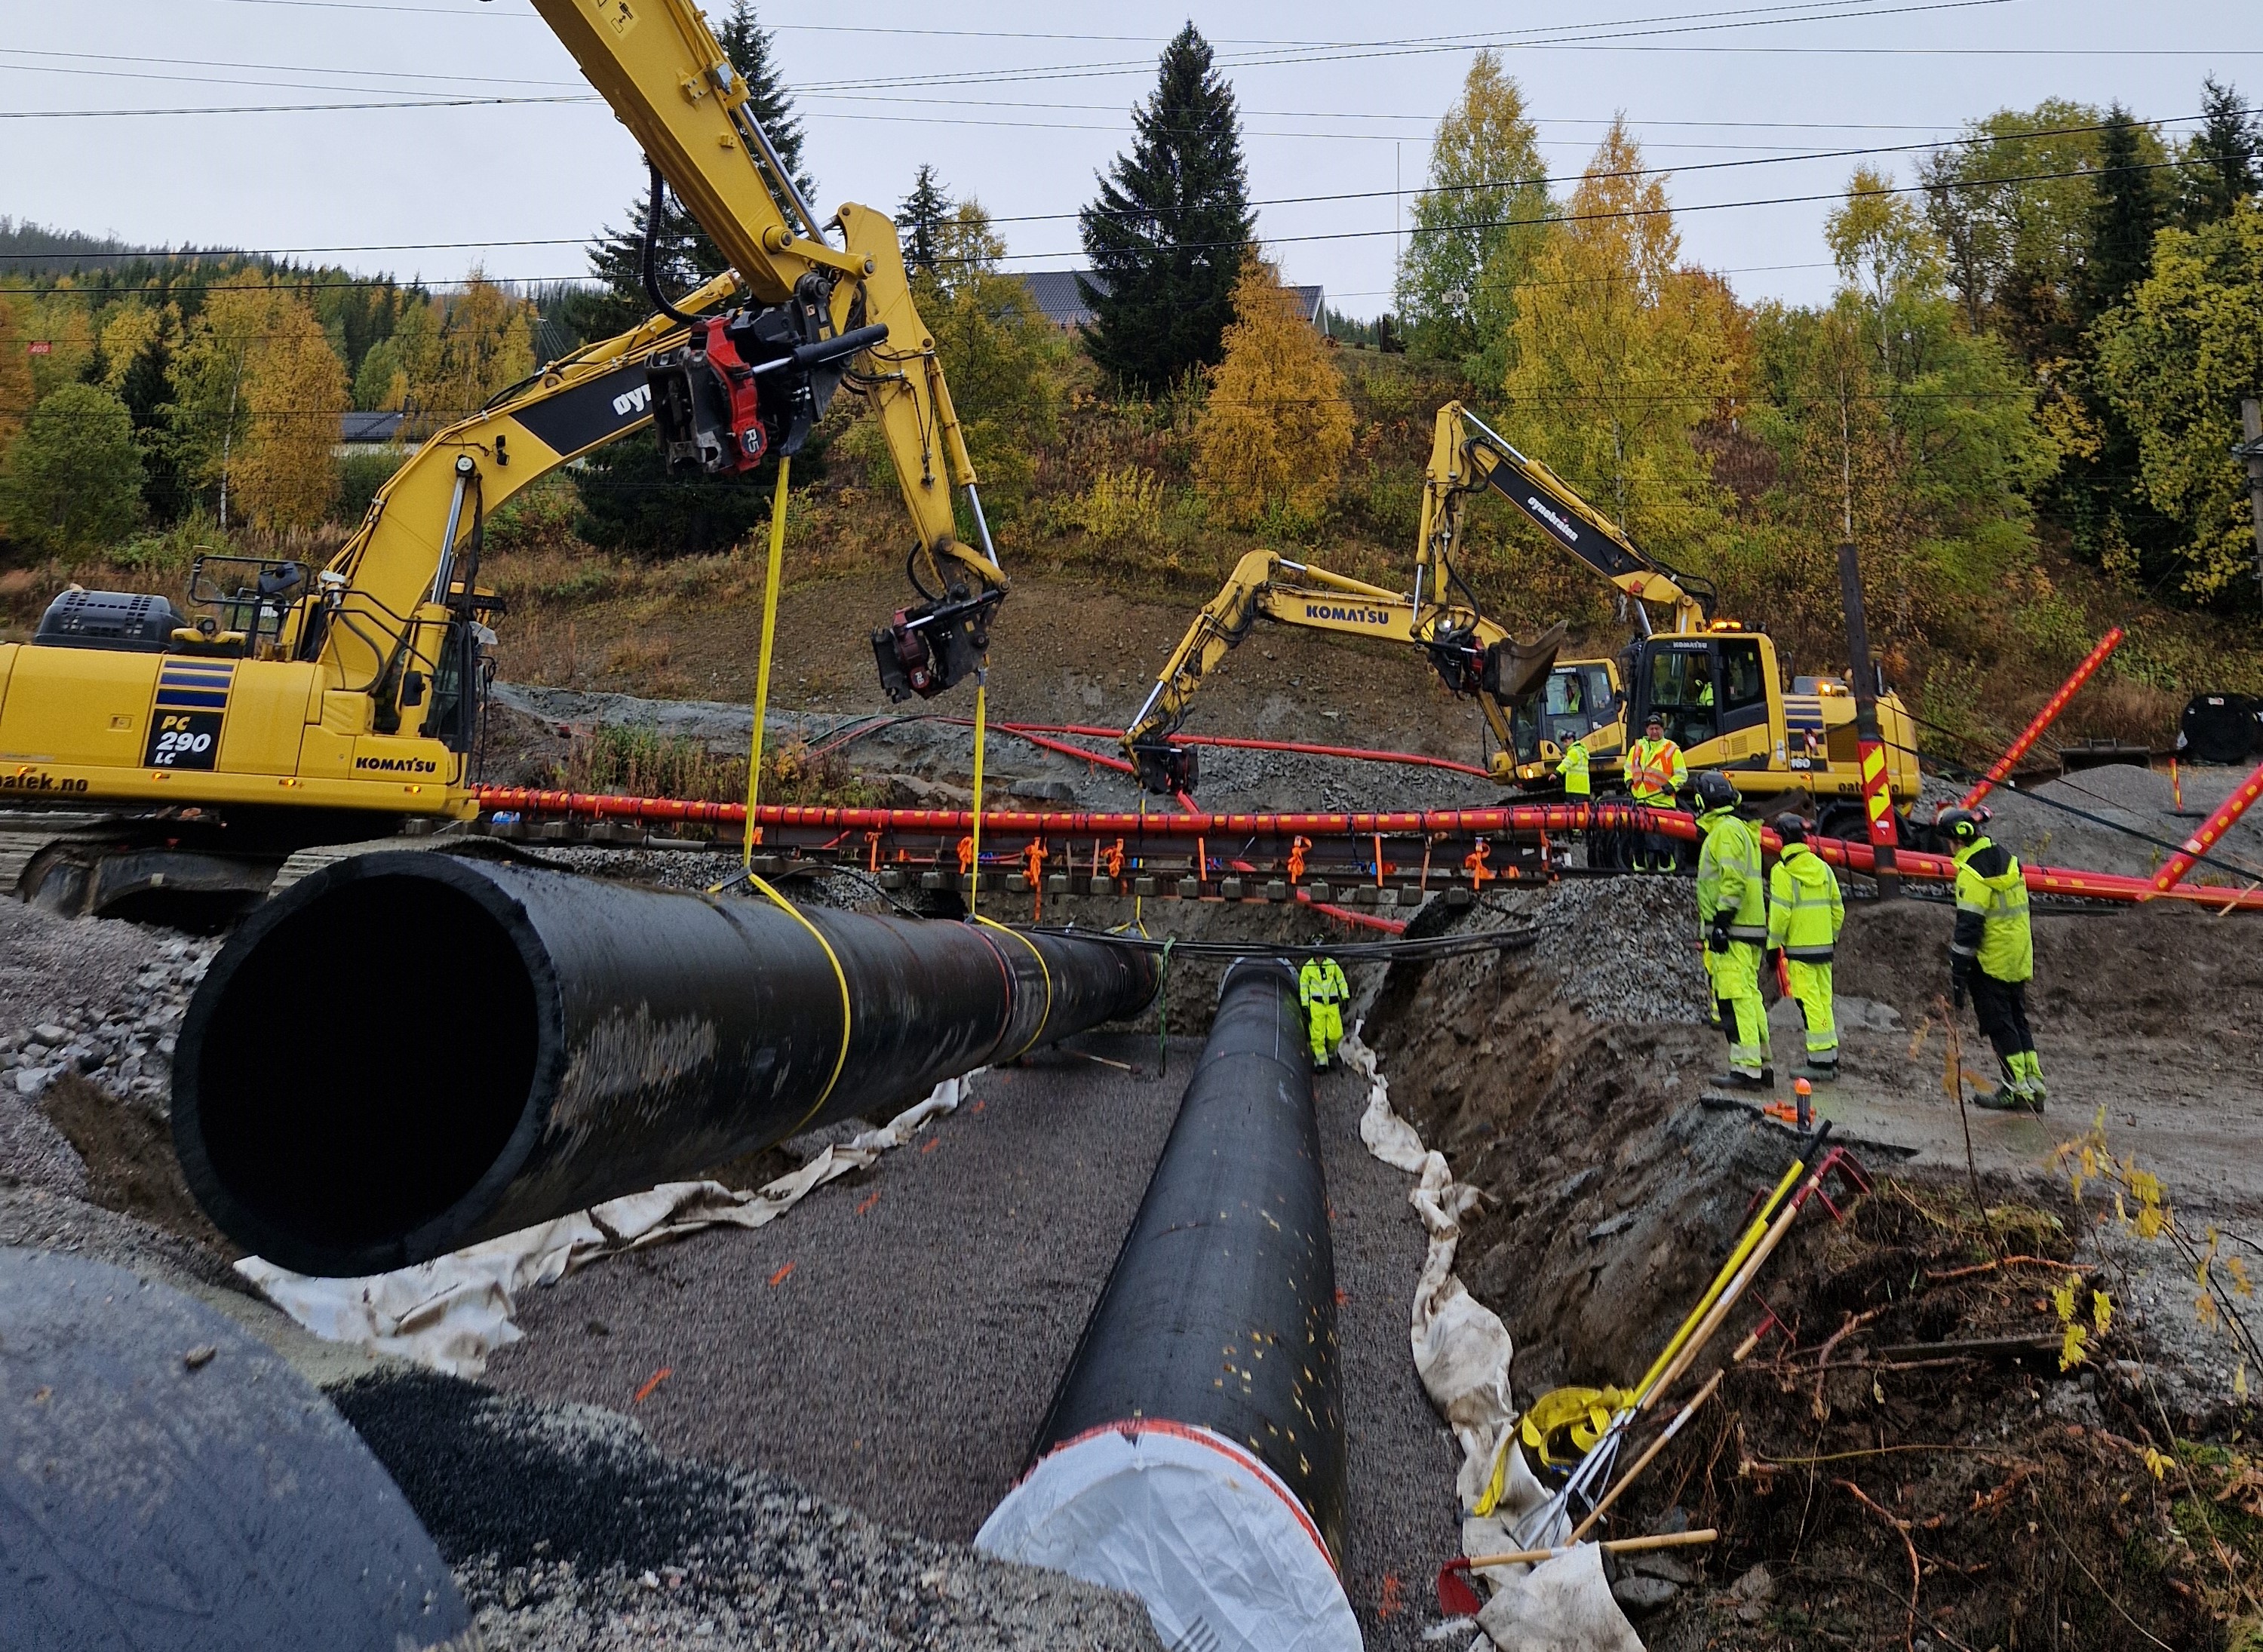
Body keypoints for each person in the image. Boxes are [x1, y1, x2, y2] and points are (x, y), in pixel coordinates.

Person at [1936, 806, 2044, 1111]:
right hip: (2017, 955)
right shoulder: (2008, 859)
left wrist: (1958, 971)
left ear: (1958, 840)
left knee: (1999, 1025)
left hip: (1990, 961)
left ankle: (2015, 1090)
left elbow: (1968, 928)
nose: (1948, 848)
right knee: (2018, 1021)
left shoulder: (1972, 873)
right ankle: (2034, 1085)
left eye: (1949, 841)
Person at [1694, 771, 1771, 1091]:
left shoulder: (1725, 832)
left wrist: (1722, 921)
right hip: (1747, 928)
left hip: (1734, 929)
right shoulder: (1737, 829)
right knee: (1750, 997)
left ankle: (1747, 1069)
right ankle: (1761, 1064)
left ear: (1702, 802)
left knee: (1735, 998)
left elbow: (1733, 879)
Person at [1767, 812, 1845, 1081]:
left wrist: (1773, 945)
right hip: (1824, 948)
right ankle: (1831, 1058)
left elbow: (1779, 914)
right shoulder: (1823, 868)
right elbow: (1838, 909)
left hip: (1799, 950)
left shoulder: (1783, 871)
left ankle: (1819, 1062)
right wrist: (1831, 937)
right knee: (1823, 1002)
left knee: (1808, 1003)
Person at [1626, 713, 1687, 873]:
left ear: (1663, 730)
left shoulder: (1672, 749)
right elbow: (1628, 768)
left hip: (1663, 803)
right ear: (1646, 729)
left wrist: (1671, 786)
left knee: (1664, 846)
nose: (1654, 732)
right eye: (1652, 728)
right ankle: (1639, 872)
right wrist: (1629, 781)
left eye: (1658, 728)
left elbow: (1681, 775)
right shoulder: (1637, 748)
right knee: (1638, 843)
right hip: (1640, 802)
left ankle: (1666, 873)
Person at [1298, 953, 1350, 1071]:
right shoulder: (1308, 968)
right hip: (1317, 1006)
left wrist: (1345, 997)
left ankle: (1331, 1055)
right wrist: (1305, 1006)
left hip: (1332, 1005)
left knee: (1336, 1034)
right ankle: (1321, 1061)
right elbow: (1304, 988)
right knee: (1317, 1035)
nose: (1319, 958)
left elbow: (1341, 980)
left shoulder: (1332, 964)